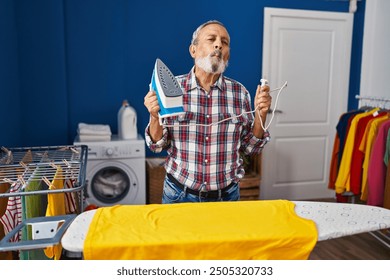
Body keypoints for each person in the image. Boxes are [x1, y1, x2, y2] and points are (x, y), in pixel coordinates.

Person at [144, 20, 272, 203]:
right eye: (211, 39)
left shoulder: (240, 93)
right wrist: (154, 115)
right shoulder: (173, 88)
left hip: (226, 197)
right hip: (178, 195)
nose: (219, 44)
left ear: (228, 54)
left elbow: (251, 147)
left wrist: (261, 113)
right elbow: (156, 145)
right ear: (193, 50)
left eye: (224, 42)